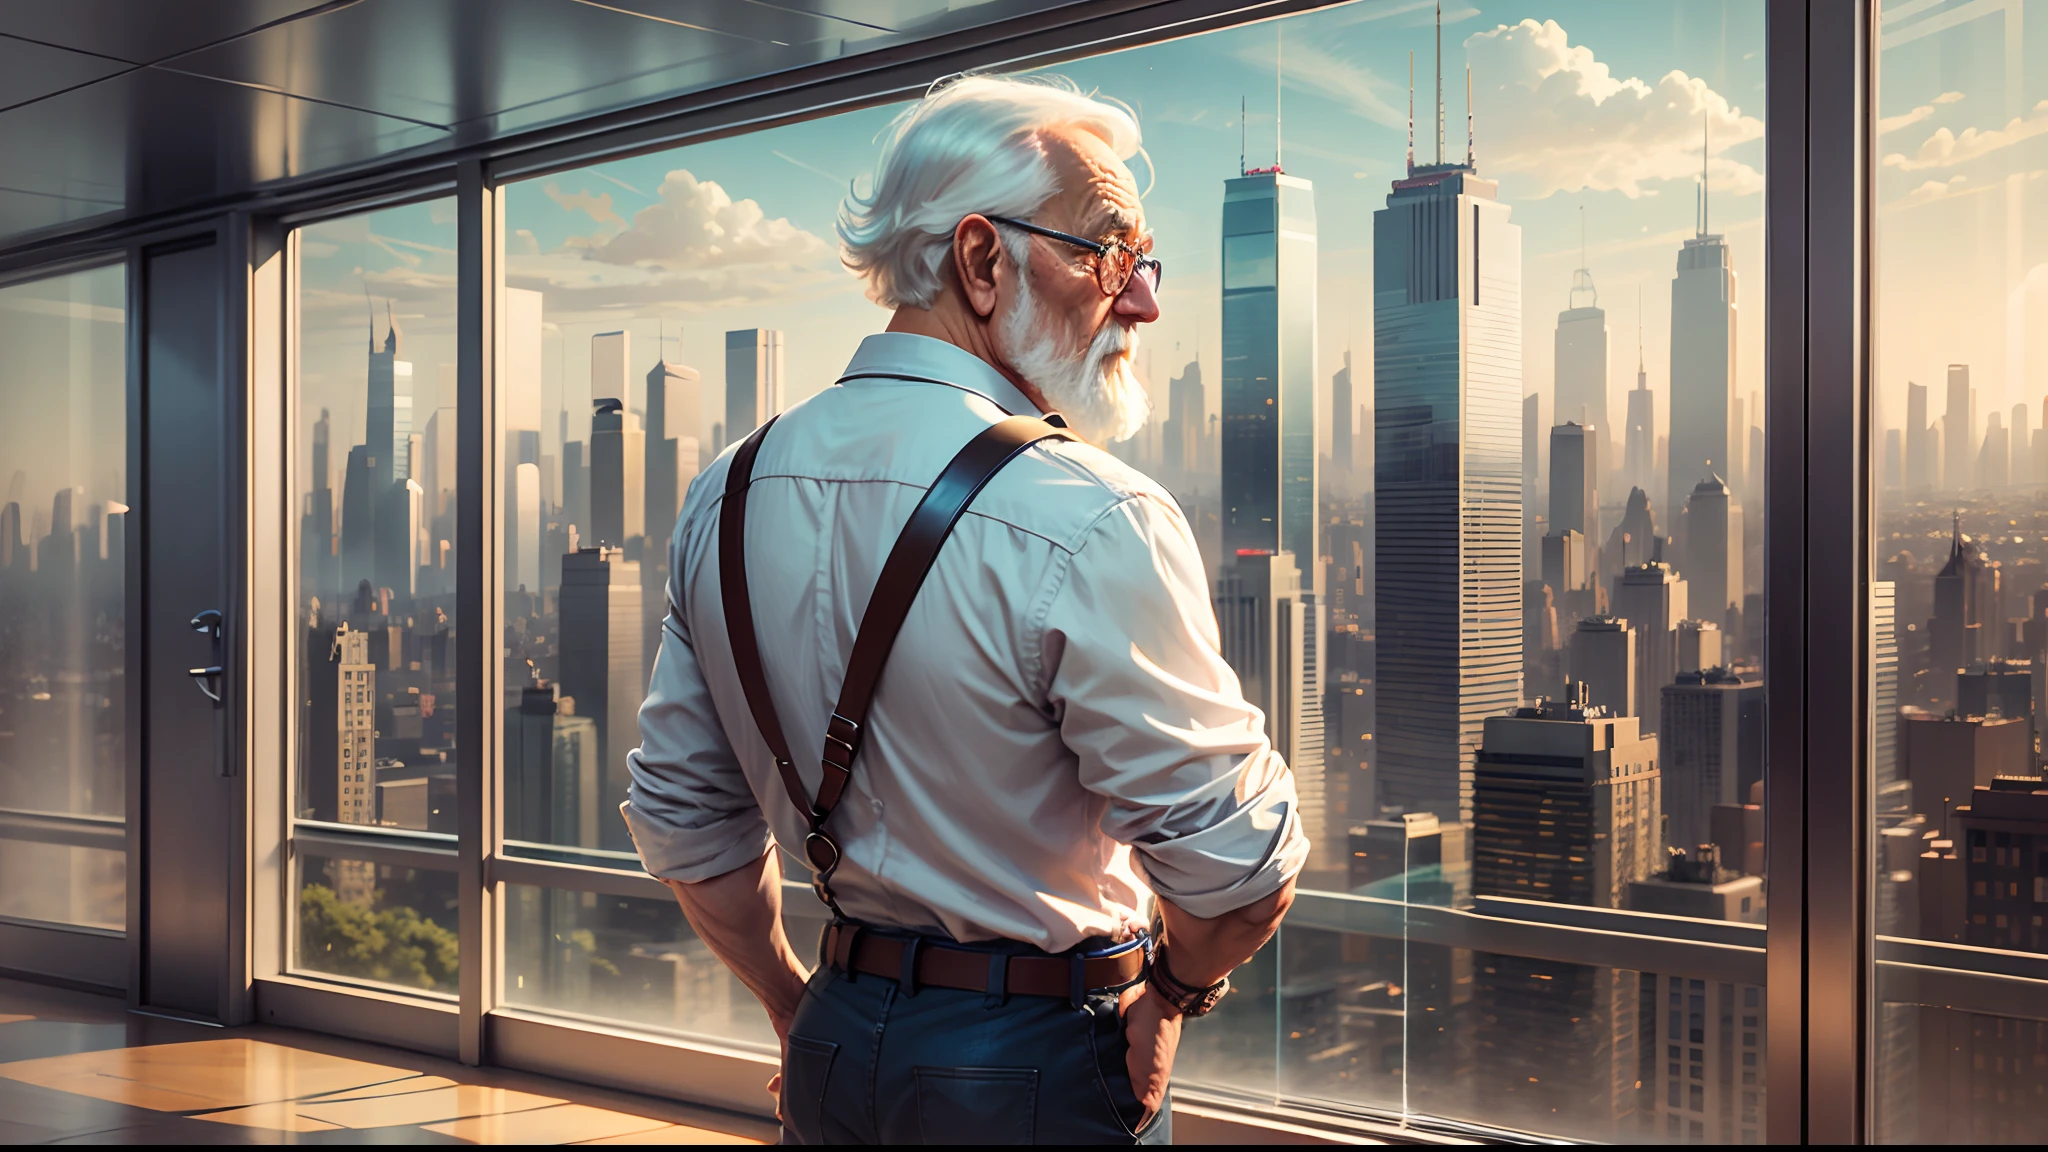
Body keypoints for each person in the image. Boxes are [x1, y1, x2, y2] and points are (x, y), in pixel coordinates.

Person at [624, 73, 1306, 1145]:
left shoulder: (729, 491)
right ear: (982, 260)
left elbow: (682, 820)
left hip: (834, 1045)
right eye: (1106, 253)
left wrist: (796, 1006)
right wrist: (1168, 1000)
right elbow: (1243, 871)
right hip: (1043, 1066)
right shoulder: (1085, 512)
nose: (1140, 301)